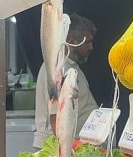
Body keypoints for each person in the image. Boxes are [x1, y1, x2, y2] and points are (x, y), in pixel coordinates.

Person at [33, 13, 99, 148]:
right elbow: (56, 117)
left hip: (74, 145)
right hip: (58, 149)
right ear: (72, 41)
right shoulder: (59, 68)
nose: (91, 47)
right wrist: (66, 152)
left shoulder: (70, 65)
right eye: (87, 42)